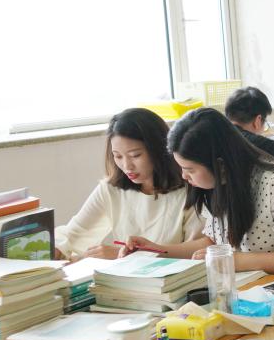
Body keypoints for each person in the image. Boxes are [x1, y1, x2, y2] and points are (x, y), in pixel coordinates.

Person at [122, 108, 274, 276]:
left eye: (190, 170)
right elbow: (213, 242)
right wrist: (156, 250)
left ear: (220, 165)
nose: (184, 176)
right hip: (248, 289)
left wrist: (236, 261)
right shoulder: (216, 186)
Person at [55, 108, 202, 260]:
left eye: (135, 155)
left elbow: (200, 249)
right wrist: (55, 248)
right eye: (118, 156)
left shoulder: (191, 188)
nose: (127, 166)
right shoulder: (111, 189)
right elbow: (74, 234)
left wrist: (125, 255)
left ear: (159, 149)